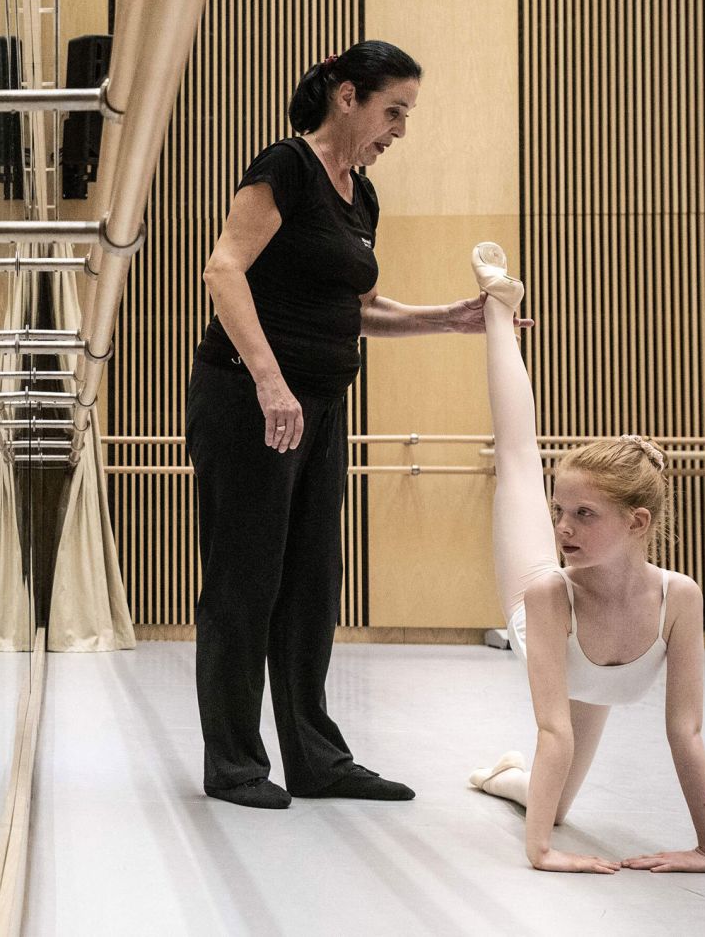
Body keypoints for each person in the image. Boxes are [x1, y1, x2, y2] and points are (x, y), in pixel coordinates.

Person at [188, 41, 503, 809]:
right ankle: (233, 762)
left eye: (407, 114)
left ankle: (316, 758)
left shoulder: (359, 196)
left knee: (313, 585)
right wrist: (269, 382)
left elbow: (354, 310)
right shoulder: (285, 167)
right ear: (348, 97)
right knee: (245, 581)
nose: (401, 128)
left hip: (319, 409)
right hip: (250, 403)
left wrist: (449, 320)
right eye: (395, 110)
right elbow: (223, 269)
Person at [466, 242, 705, 874]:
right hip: (553, 626)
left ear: (639, 523)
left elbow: (685, 732)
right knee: (519, 461)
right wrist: (543, 854)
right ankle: (500, 306)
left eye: (585, 515)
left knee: (550, 803)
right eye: (561, 512)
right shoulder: (547, 590)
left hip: (589, 667)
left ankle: (500, 776)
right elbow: (554, 730)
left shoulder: (678, 598)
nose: (563, 527)